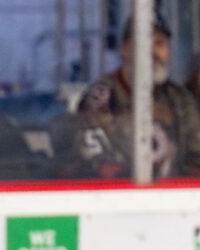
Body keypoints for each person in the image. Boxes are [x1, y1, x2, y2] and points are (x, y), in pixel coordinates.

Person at [54, 13, 200, 180]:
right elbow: (92, 164)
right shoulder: (100, 97)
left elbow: (196, 157)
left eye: (159, 44)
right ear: (124, 49)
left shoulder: (180, 99)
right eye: (143, 42)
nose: (152, 51)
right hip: (117, 200)